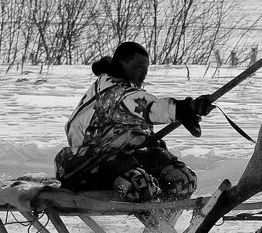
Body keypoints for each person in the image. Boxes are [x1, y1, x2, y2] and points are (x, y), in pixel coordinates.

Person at [55, 41, 213, 202]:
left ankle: (163, 224)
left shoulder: (128, 90)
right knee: (140, 183)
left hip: (124, 157)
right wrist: (184, 109)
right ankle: (157, 225)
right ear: (122, 63)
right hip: (86, 165)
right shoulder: (114, 93)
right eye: (138, 67)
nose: (144, 73)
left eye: (146, 68)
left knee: (183, 180)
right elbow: (148, 108)